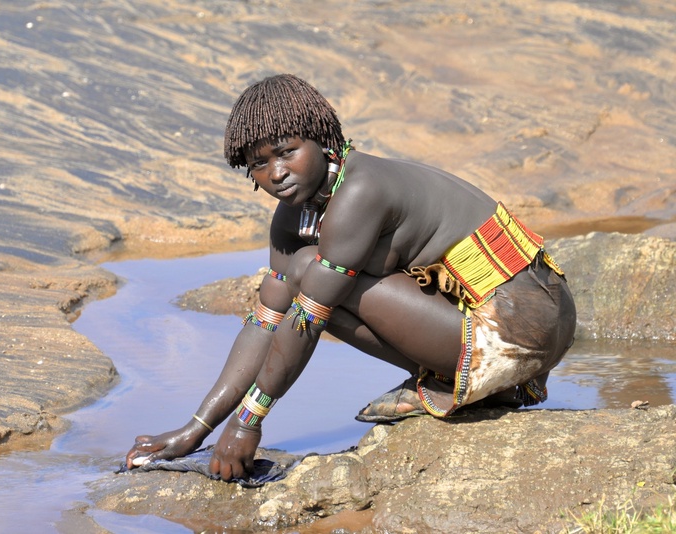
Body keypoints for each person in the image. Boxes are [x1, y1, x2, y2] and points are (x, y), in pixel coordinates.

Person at [125, 74, 576, 480]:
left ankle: (468, 381)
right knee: (300, 282)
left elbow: (307, 318)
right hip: (483, 324)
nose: (277, 173)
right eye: (259, 163)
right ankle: (468, 384)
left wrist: (246, 423)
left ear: (322, 140)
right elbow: (269, 317)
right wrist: (195, 429)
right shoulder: (293, 215)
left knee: (311, 277)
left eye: (287, 152)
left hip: (523, 325)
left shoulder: (362, 188)